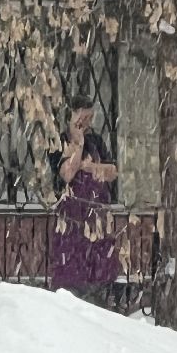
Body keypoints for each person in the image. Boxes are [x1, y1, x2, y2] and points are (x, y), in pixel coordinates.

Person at [47, 94, 120, 306]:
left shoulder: (96, 141)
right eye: (83, 117)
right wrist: (78, 144)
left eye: (90, 117)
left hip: (96, 214)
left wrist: (90, 167)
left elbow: (112, 171)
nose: (87, 122)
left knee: (99, 269)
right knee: (72, 271)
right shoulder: (59, 142)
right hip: (72, 217)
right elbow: (66, 174)